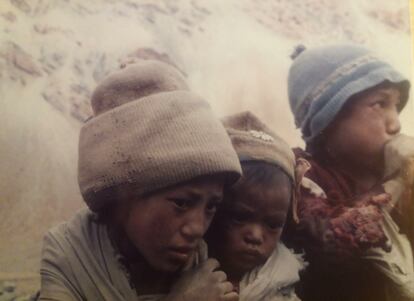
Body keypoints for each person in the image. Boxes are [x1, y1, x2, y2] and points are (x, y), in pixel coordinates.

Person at [39, 60, 242, 301]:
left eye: (211, 206)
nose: (197, 228)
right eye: (181, 203)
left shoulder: (207, 259)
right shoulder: (70, 254)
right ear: (125, 193)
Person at [284, 44, 414, 301]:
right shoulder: (301, 175)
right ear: (328, 117)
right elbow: (329, 243)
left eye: (395, 106)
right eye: (379, 104)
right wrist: (395, 183)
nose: (395, 123)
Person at [206, 111, 307, 301]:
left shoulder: (281, 278)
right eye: (239, 217)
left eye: (273, 224)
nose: (255, 236)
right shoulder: (186, 276)